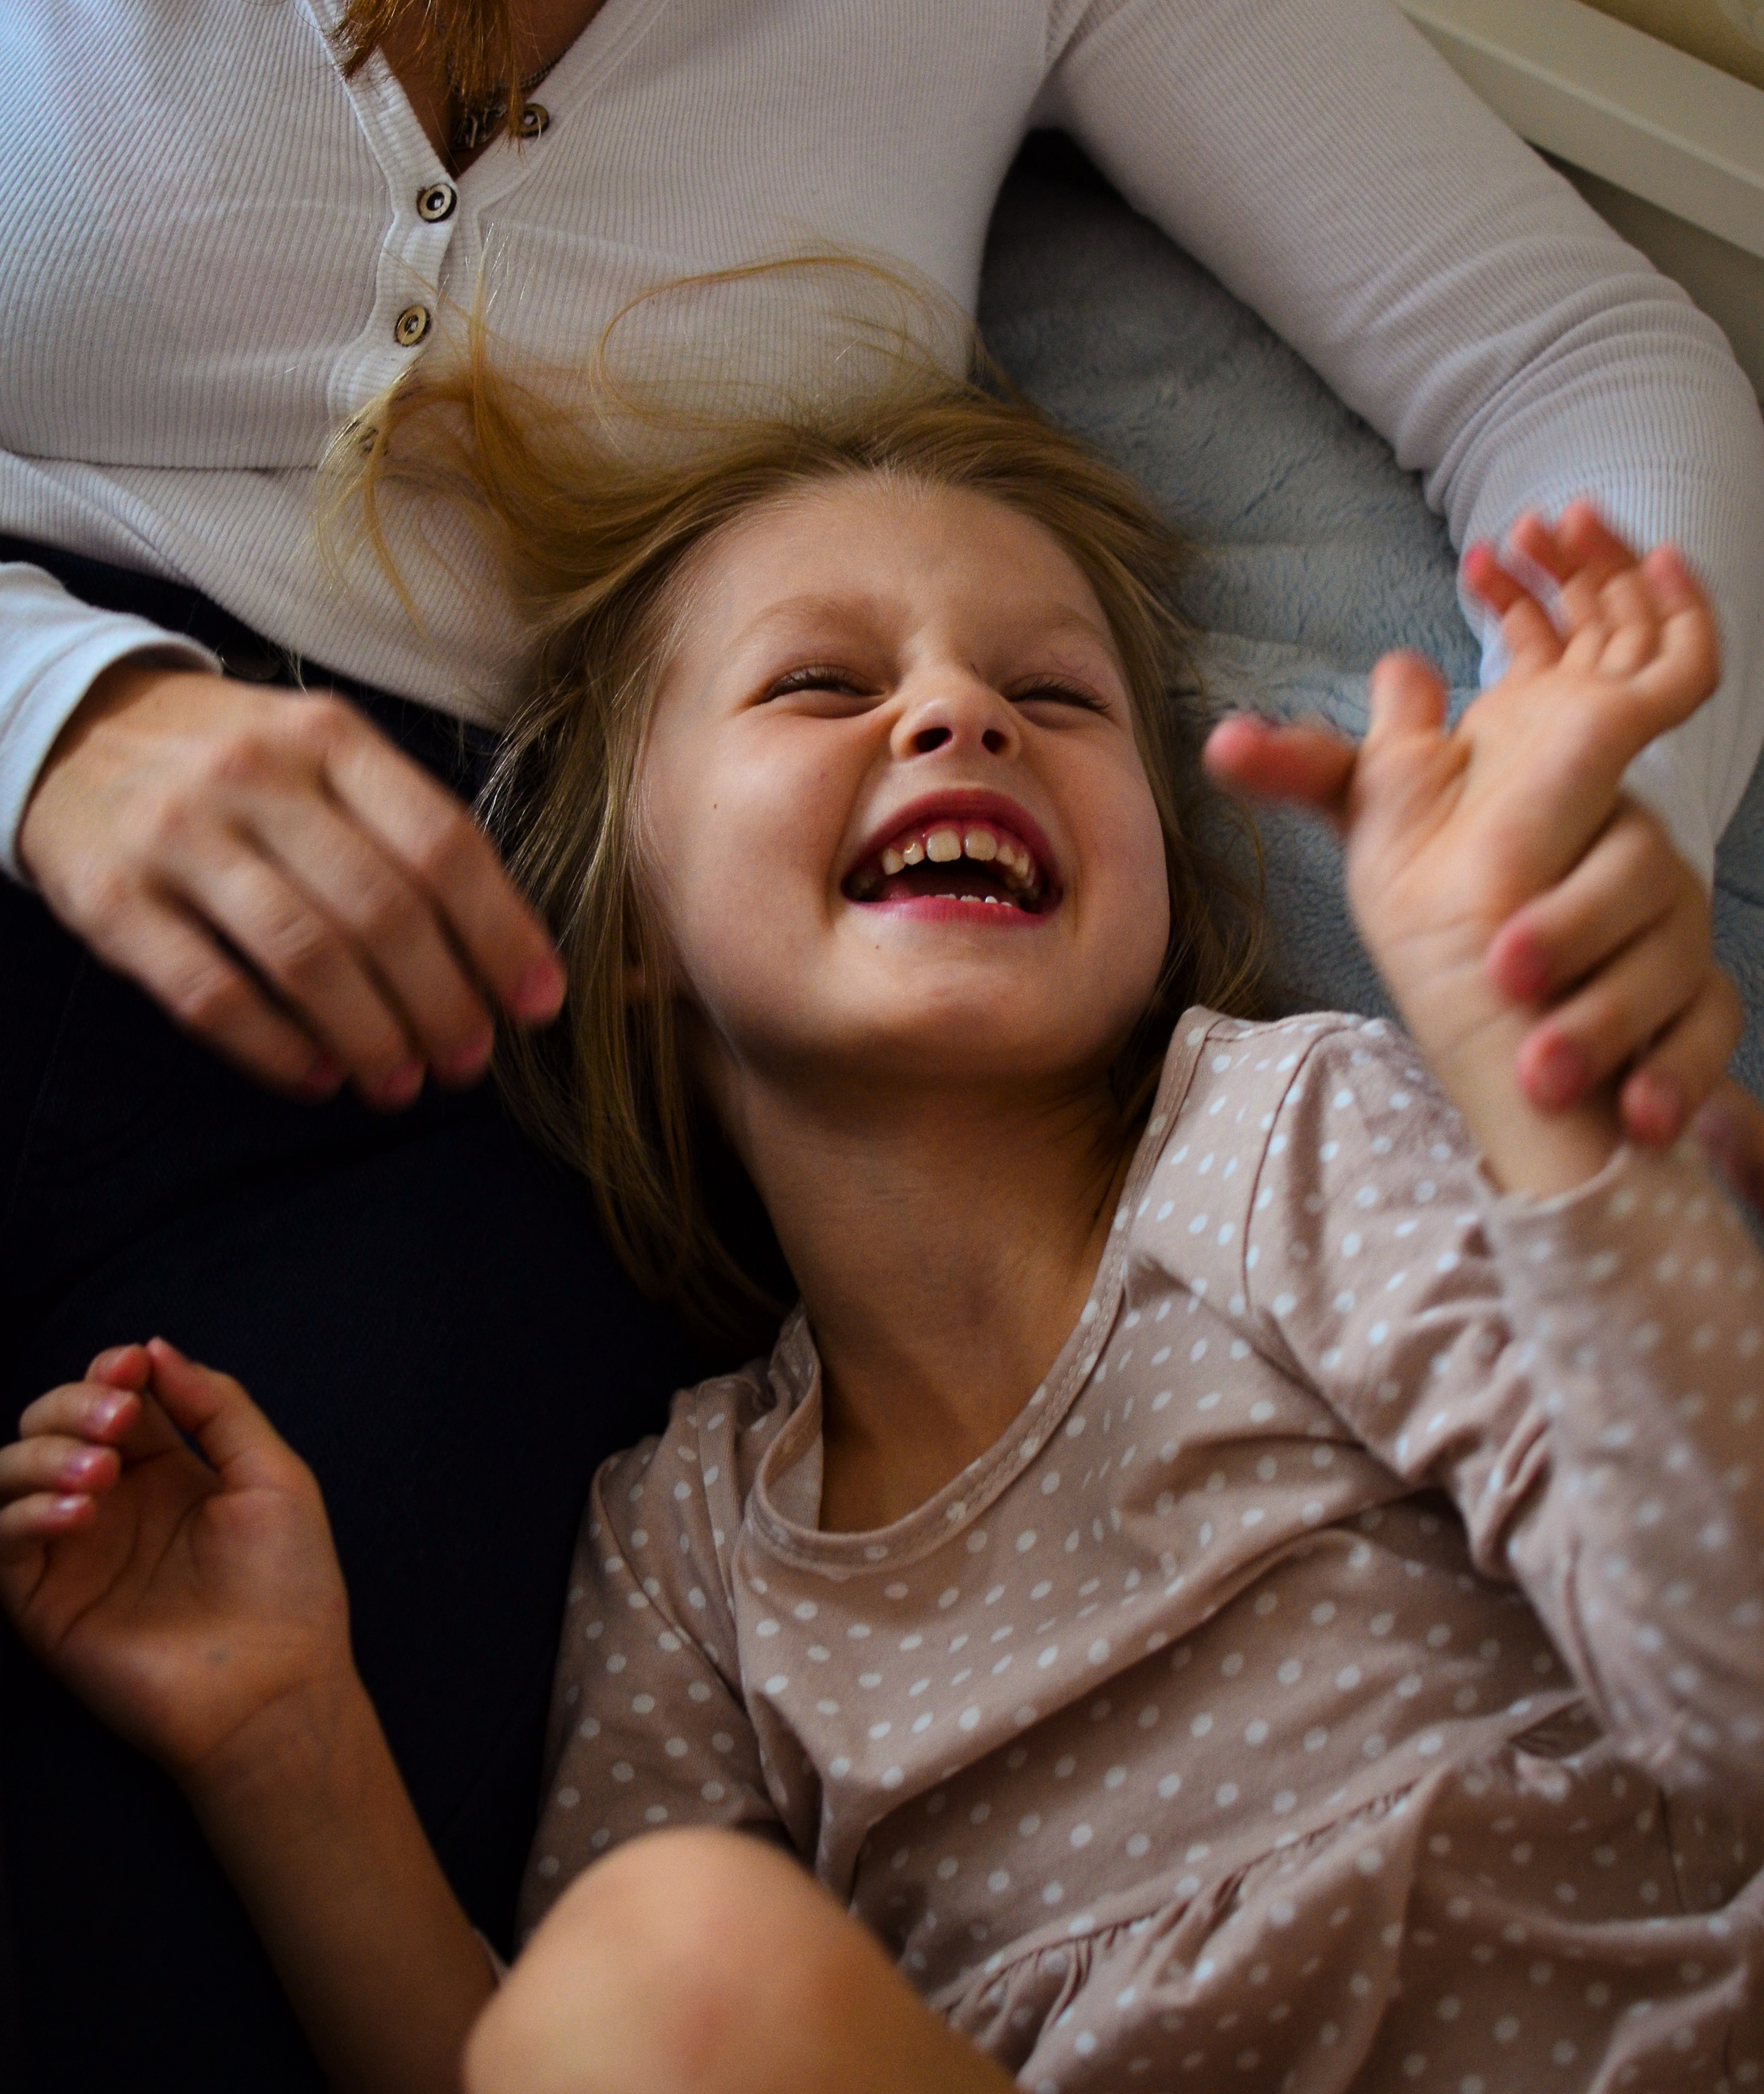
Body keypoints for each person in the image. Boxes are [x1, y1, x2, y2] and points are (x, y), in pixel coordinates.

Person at [4, 0, 1763, 2072]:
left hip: (485, 1064)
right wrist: (55, 712)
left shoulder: (1304, 1167)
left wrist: (1532, 897)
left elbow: (1578, 353)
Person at [4, 364, 1761, 2094]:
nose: (956, 716)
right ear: (627, 914)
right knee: (657, 1981)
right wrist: (284, 1738)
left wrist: (1513, 1051)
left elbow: (1735, 1688)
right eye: (820, 682)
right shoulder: (684, 1548)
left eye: (1054, 697)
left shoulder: (1288, 1134)